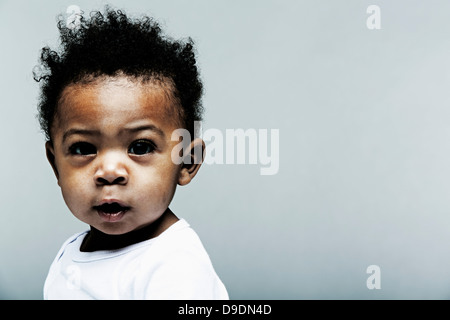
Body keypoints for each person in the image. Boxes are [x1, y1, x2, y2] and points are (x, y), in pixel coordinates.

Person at [33, 6, 229, 300]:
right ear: (55, 164)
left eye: (140, 147)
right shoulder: (71, 253)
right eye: (84, 148)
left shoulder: (174, 265)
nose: (110, 171)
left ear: (186, 162)